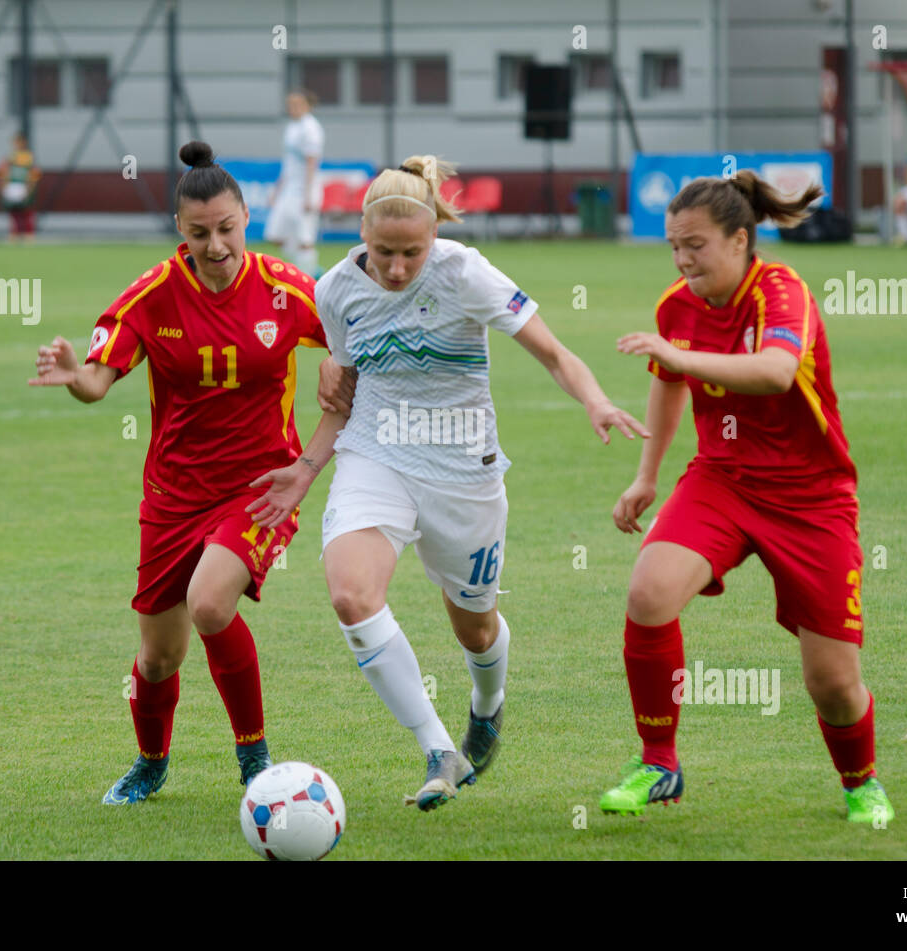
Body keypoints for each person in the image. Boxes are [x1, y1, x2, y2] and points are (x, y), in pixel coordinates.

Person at [246, 155, 648, 811]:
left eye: (412, 252)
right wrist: (307, 467)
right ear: (362, 237)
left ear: (435, 235)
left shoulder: (465, 272)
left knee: (476, 629)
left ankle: (486, 704)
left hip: (465, 472)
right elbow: (342, 395)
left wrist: (596, 400)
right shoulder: (336, 290)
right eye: (384, 253)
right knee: (352, 594)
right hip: (377, 457)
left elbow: (553, 352)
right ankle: (438, 746)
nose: (398, 268)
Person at [28, 140, 348, 804]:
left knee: (209, 603)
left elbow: (355, 338)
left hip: (262, 487)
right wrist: (72, 376)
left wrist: (338, 360)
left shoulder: (287, 289)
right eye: (200, 232)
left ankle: (254, 760)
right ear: (181, 229)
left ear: (244, 220)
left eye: (227, 228)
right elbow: (96, 381)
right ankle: (151, 760)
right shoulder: (152, 296)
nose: (217, 245)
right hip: (173, 495)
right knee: (158, 656)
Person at [600, 170, 895, 825]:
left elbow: (774, 372)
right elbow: (669, 384)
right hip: (723, 479)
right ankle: (658, 763)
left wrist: (678, 357)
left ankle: (861, 781)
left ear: (740, 240)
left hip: (811, 497)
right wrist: (647, 476)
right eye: (674, 245)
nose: (682, 258)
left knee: (833, 684)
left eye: (695, 245)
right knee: (649, 592)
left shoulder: (781, 291)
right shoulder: (676, 304)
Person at [264, 90, 324, 278]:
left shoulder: (311, 128)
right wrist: (277, 190)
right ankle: (305, 271)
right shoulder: (292, 127)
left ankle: (307, 277)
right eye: (290, 105)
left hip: (305, 189)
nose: (293, 108)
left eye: (297, 104)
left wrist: (308, 195)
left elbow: (311, 162)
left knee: (305, 237)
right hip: (289, 190)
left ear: (307, 105)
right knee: (276, 235)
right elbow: (288, 164)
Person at [0, 132, 41, 242]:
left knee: (27, 210)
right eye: (15, 142)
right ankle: (14, 234)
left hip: (24, 186)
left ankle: (29, 234)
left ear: (24, 142)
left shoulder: (29, 157)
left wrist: (30, 186)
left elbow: (34, 173)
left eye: (19, 142)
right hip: (12, 186)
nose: (17, 144)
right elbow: (3, 172)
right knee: (13, 211)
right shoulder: (9, 157)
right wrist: (3, 186)